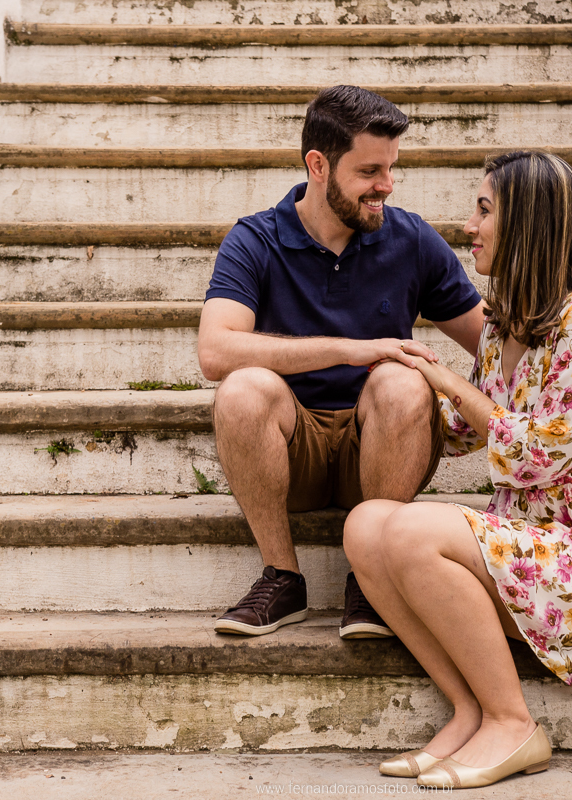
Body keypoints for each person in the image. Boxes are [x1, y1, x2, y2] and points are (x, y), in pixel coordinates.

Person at [343, 151, 572, 789]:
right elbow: (457, 432)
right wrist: (398, 386)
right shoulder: (505, 323)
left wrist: (450, 381)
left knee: (411, 531)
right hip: (517, 551)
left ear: (527, 221)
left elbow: (541, 453)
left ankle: (513, 723)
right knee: (366, 525)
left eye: (483, 210)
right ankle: (469, 711)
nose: (468, 226)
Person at [198, 85, 485, 639]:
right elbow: (215, 351)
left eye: (391, 169)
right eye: (370, 171)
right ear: (319, 166)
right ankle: (282, 578)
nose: (387, 185)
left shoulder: (411, 239)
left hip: (382, 447)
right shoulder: (255, 238)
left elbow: (490, 344)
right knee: (242, 388)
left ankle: (372, 578)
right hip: (293, 453)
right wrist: (351, 348)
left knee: (402, 382)